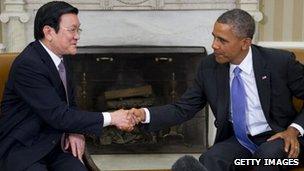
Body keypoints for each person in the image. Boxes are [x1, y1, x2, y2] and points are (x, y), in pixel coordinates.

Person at [129, 8, 304, 171]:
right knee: (210, 159)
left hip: (279, 137)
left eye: (222, 40)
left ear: (245, 43)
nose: (214, 45)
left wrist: (294, 129)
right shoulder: (208, 66)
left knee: (267, 159)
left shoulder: (280, 62)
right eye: (214, 37)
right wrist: (145, 115)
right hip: (239, 141)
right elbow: (184, 108)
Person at [0, 1, 135, 171]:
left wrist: (75, 131)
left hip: (55, 143)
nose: (77, 36)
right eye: (72, 30)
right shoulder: (29, 65)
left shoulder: (61, 57)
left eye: (78, 29)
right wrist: (112, 117)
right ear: (48, 32)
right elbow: (58, 115)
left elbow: (70, 104)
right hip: (25, 148)